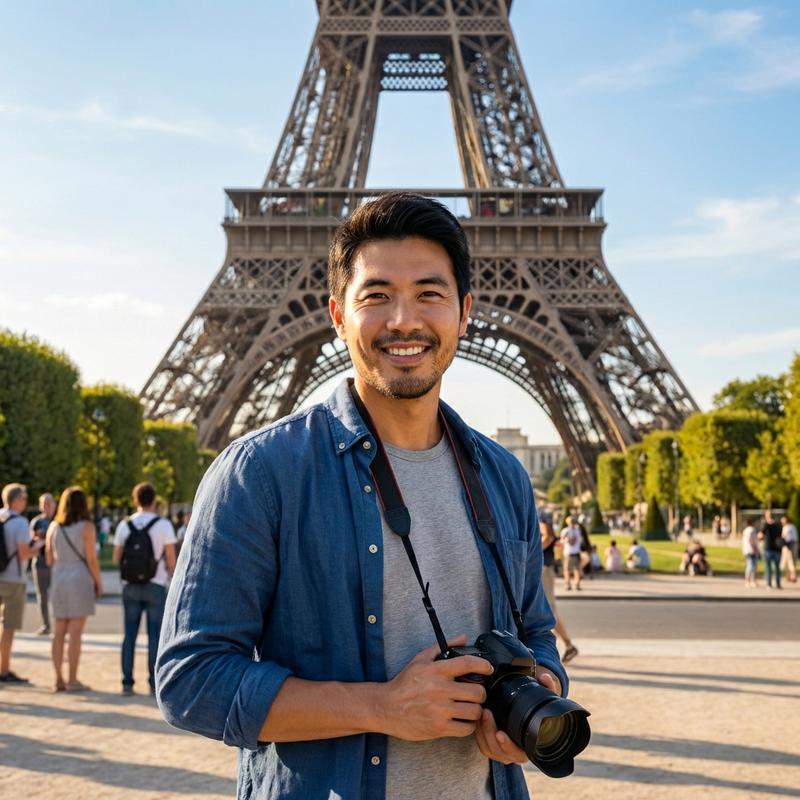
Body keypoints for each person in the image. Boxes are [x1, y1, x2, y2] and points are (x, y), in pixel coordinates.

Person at [156, 193, 568, 800]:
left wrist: (539, 689)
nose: (404, 319)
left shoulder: (502, 475)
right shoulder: (258, 473)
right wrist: (383, 707)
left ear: (465, 311)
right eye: (376, 296)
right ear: (337, 314)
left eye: (430, 293)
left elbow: (536, 632)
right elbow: (190, 680)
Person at [113, 482, 176, 695]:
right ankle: (153, 682)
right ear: (154, 500)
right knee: (155, 637)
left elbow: (116, 558)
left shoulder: (124, 525)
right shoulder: (164, 525)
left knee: (129, 635)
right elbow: (170, 560)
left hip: (130, 585)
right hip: (155, 584)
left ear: (135, 500)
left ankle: (127, 682)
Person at [46, 486, 102, 692]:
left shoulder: (53, 527)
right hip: (79, 577)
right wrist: (98, 583)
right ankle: (72, 679)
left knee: (58, 631)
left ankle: (58, 679)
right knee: (75, 633)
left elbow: (49, 558)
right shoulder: (87, 527)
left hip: (59, 577)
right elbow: (92, 559)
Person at [0, 483, 45, 683]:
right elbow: (24, 553)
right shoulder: (19, 523)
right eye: (25, 498)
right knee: (8, 626)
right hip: (13, 579)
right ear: (16, 499)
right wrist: (40, 545)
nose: (26, 502)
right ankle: (4, 669)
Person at [540, 519, 578, 663]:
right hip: (545, 568)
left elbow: (548, 537)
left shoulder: (541, 523)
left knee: (549, 609)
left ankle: (568, 644)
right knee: (548, 609)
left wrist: (534, 550)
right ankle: (568, 645)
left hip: (544, 569)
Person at [29, 492, 56, 635]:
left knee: (59, 595)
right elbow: (30, 543)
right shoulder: (36, 522)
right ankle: (46, 625)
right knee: (42, 596)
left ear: (54, 505)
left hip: (57, 565)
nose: (46, 506)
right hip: (40, 563)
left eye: (49, 503)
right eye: (43, 503)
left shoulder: (59, 521)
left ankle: (60, 625)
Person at [758, 511, 783, 589]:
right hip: (777, 549)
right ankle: (778, 584)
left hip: (768, 548)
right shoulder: (778, 525)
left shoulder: (765, 525)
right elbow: (781, 536)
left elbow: (760, 535)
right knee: (777, 568)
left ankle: (769, 584)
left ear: (767, 516)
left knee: (768, 568)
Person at [560, 516, 583, 590]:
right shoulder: (570, 530)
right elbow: (562, 540)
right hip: (570, 552)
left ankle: (574, 584)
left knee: (573, 569)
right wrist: (567, 540)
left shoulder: (574, 530)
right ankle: (571, 584)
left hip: (572, 552)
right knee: (571, 569)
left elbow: (562, 541)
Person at [741, 519, 760, 588]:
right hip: (751, 550)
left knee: (752, 566)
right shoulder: (751, 530)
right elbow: (751, 539)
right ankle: (749, 581)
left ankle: (752, 580)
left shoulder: (745, 530)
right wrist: (755, 548)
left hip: (747, 550)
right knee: (751, 566)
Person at [779, 515, 798, 583]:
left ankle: (793, 576)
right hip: (792, 545)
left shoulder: (787, 527)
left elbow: (783, 537)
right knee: (790, 561)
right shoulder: (793, 526)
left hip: (788, 546)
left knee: (789, 561)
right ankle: (789, 576)